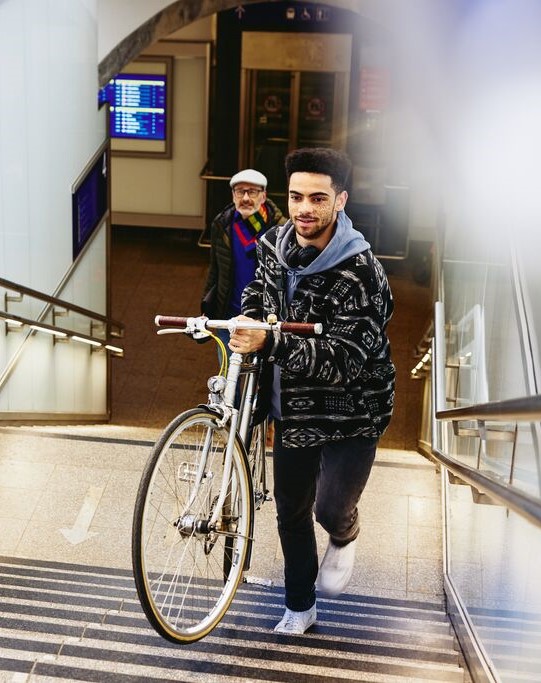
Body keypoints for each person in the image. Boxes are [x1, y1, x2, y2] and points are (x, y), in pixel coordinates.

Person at [228, 147, 395, 635]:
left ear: (340, 200)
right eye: (297, 196)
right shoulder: (276, 242)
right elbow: (259, 292)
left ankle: (345, 534)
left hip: (353, 412)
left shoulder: (362, 273)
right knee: (291, 511)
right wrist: (248, 317)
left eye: (318, 198)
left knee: (329, 509)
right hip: (295, 409)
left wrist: (272, 340)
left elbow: (343, 362)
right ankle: (300, 606)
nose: (304, 208)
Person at [201, 168, 285, 360]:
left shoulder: (279, 229)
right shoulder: (222, 225)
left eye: (252, 192)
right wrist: (207, 309)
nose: (246, 198)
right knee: (228, 379)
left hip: (263, 321)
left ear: (263, 196)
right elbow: (215, 270)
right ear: (233, 195)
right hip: (229, 317)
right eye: (240, 192)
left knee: (258, 383)